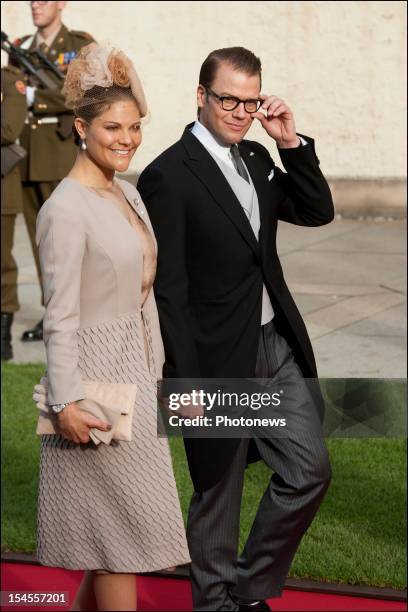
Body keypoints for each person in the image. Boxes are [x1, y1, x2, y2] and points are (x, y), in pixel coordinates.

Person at [138, 46, 334, 611]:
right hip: (215, 357)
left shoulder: (255, 153)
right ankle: (214, 603)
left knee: (308, 470)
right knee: (218, 491)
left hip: (275, 346)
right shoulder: (168, 176)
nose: (240, 111)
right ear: (201, 96)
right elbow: (169, 293)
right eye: (228, 99)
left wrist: (288, 142)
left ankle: (247, 590)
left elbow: (315, 209)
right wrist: (186, 382)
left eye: (250, 101)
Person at [35, 43, 190, 612]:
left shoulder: (126, 193)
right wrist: (65, 398)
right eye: (112, 127)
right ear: (80, 128)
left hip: (136, 375)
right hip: (94, 389)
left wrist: (160, 375)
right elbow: (60, 316)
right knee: (122, 539)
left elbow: (145, 294)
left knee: (113, 535)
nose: (126, 138)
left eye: (134, 127)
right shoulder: (65, 209)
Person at [12, 0, 94, 342]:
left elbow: (81, 93)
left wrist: (35, 96)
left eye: (44, 0)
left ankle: (84, 315)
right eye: (32, 1)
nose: (36, 5)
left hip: (61, 152)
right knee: (40, 240)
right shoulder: (19, 49)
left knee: (70, 240)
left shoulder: (78, 45)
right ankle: (53, 316)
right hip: (28, 154)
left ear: (61, 4)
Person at [1, 66, 28, 360]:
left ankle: (3, 336)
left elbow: (9, 129)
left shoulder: (9, 80)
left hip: (2, 189)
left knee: (2, 264)